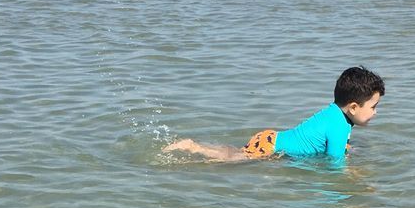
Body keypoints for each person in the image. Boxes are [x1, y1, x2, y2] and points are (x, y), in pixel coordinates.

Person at [165, 66, 385, 163]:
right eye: (373, 107)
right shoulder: (340, 125)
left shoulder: (334, 114)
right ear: (354, 107)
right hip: (271, 148)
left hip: (271, 138)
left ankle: (196, 145)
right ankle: (193, 147)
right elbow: (335, 165)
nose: (376, 112)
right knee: (232, 160)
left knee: (235, 154)